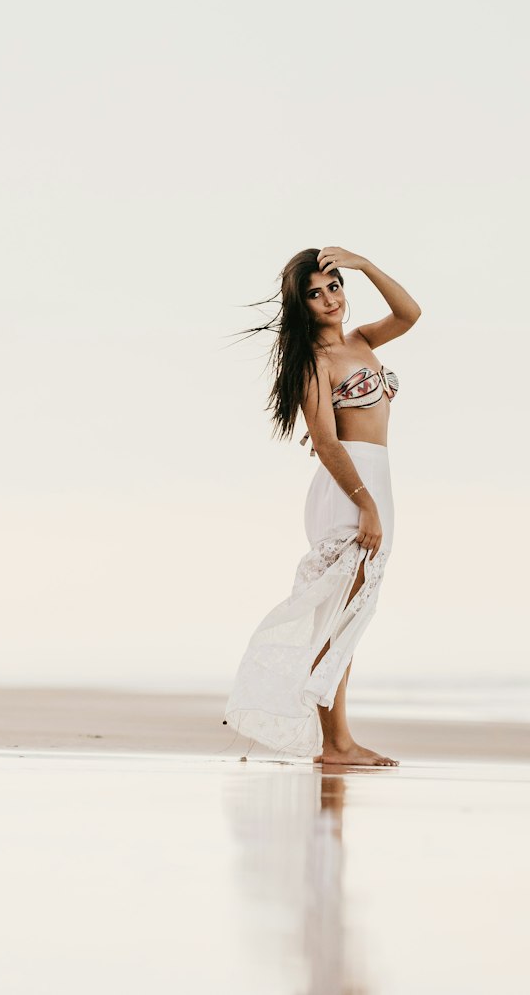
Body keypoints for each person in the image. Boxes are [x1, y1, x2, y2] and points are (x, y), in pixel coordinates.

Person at [223, 246, 421, 767]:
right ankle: (336, 744)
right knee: (337, 617)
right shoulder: (316, 362)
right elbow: (328, 443)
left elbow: (410, 314)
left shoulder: (361, 341)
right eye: (316, 294)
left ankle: (337, 741)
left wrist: (367, 265)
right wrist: (367, 506)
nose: (330, 298)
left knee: (350, 616)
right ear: (301, 307)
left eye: (334, 285)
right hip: (350, 487)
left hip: (375, 479)